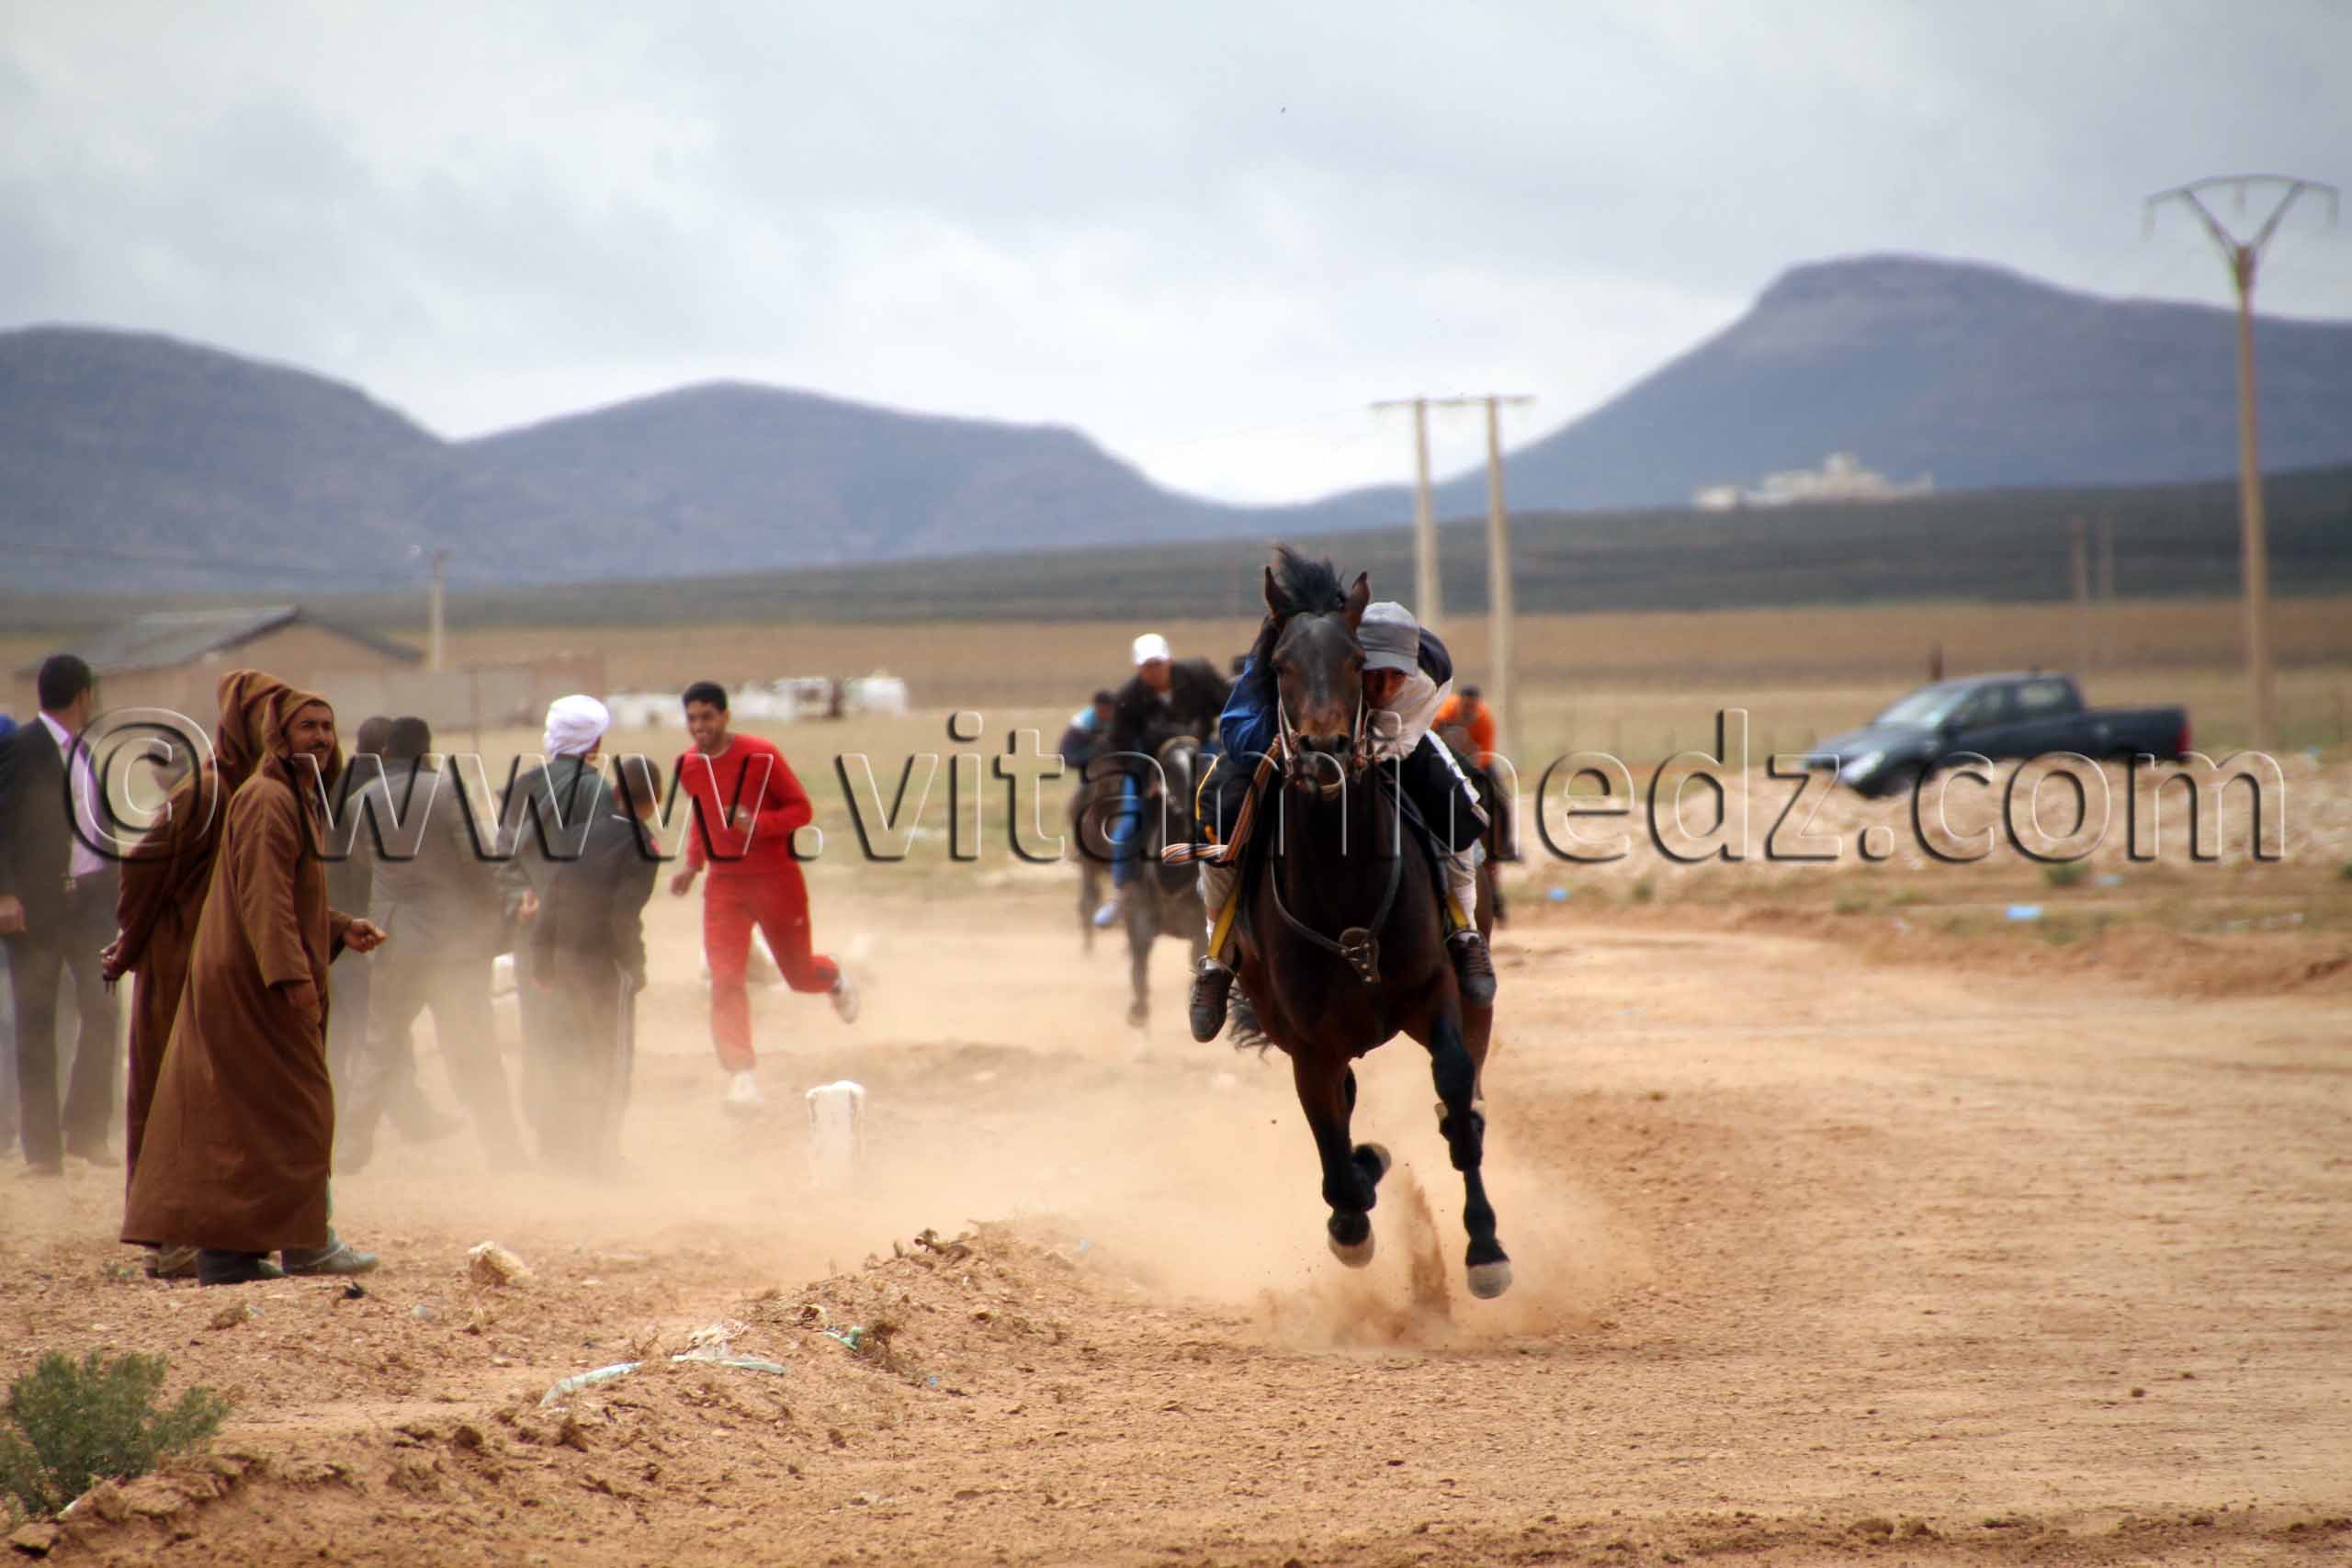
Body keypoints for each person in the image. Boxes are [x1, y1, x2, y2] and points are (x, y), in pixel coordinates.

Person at [121, 685, 389, 1285]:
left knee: (250, 1118)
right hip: (258, 985)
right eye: (306, 727)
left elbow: (285, 896)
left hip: (254, 976)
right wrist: (292, 977)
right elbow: (265, 899)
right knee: (304, 1107)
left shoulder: (289, 796)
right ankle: (301, 1243)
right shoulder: (269, 799)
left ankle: (233, 1251)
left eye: (327, 725)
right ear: (277, 736)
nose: (320, 737)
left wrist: (340, 926)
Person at [1188, 600, 1496, 1043]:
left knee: (1458, 810)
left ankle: (1466, 935)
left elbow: (1409, 729)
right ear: (1355, 660)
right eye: (1375, 674)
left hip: (1396, 736)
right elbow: (1237, 730)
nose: (1387, 685)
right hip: (1290, 742)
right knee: (1219, 821)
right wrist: (1291, 747)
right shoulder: (1298, 661)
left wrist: (1374, 750)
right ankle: (1218, 958)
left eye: (1397, 675)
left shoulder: (1431, 675)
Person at [104, 671, 287, 1276]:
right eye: (263, 716)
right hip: (182, 960)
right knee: (170, 1095)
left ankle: (213, 1230)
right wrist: (132, 943)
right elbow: (141, 868)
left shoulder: (260, 789)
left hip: (226, 965)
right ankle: (172, 1237)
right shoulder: (207, 790)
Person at [340, 717, 523, 1171]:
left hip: (394, 937)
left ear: (386, 756)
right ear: (427, 753)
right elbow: (476, 860)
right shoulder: (448, 790)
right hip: (451, 943)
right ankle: (504, 1150)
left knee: (380, 1045)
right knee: (474, 1046)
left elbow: (363, 860)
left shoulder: (362, 800)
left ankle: (350, 1151)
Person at [670, 680, 857, 1112]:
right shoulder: (689, 766)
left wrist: (757, 824)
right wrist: (692, 866)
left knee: (797, 975)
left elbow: (801, 810)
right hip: (724, 887)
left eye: (707, 717)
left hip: (776, 880)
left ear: (725, 716)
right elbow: (701, 818)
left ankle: (833, 978)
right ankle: (742, 1077)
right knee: (726, 979)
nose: (699, 727)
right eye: (692, 719)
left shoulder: (761, 755)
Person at [0, 654, 121, 1176]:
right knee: (36, 1023)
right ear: (83, 696)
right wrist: (5, 893)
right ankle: (44, 1150)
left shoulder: (88, 753)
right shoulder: (20, 748)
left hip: (90, 904)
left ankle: (87, 1131)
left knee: (105, 1011)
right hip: (37, 906)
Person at [528, 754, 661, 1173]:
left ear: (615, 793)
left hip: (565, 959)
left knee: (571, 1055)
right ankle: (602, 1158)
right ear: (656, 799)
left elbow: (553, 897)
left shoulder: (575, 835)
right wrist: (635, 968)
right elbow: (624, 915)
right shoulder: (644, 846)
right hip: (605, 968)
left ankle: (563, 1153)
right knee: (611, 1061)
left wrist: (542, 957)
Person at [496, 694, 615, 1150]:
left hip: (532, 936)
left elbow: (501, 860)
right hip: (583, 939)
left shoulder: (521, 788)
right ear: (595, 742)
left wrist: (518, 901)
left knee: (541, 1031)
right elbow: (606, 863)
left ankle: (549, 1138)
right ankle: (586, 1144)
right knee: (587, 1034)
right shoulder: (597, 792)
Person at [1091, 635, 1230, 928]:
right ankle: (1123, 892)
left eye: (1157, 664)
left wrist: (1225, 746)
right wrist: (1146, 774)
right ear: (1138, 668)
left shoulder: (1199, 675)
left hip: (1202, 750)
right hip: (1151, 762)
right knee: (1129, 820)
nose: (1153, 671)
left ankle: (1240, 875)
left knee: (1230, 805)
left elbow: (1230, 708)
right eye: (1146, 666)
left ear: (1169, 660)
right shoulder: (1129, 696)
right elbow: (1118, 741)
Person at [1433, 684, 1498, 766]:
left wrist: (1471, 767)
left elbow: (1487, 754)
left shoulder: (1485, 720)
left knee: (1492, 776)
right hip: (1443, 752)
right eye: (1466, 706)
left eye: (1473, 707)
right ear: (1458, 704)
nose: (1469, 711)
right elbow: (1431, 734)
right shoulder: (1444, 712)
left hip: (1470, 757)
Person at [1056, 690, 1117, 771]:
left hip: (1088, 751)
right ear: (1098, 707)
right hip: (1073, 755)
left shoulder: (1108, 717)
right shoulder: (1083, 722)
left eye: (1111, 710)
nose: (1110, 713)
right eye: (1107, 710)